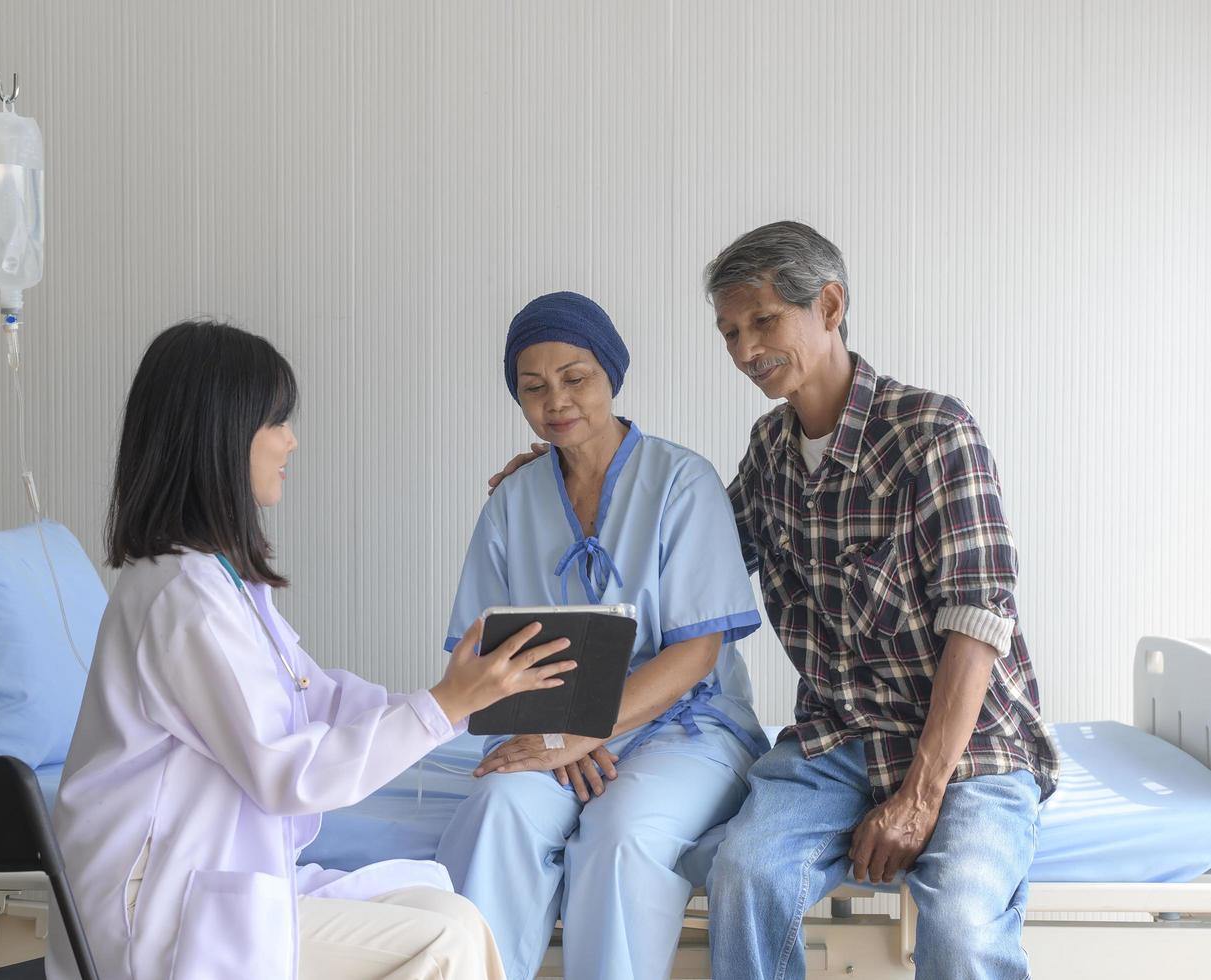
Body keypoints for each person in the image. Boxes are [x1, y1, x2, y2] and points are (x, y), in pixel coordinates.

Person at [46, 319, 578, 980]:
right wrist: (442, 708)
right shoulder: (183, 600)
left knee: (456, 915)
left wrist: (468, 698)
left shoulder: (219, 582)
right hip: (155, 910)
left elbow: (315, 697)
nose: (291, 441)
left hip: (216, 879)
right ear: (220, 435)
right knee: (438, 946)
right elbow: (287, 774)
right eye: (276, 422)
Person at [702, 221, 1058, 979]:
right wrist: (584, 467)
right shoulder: (768, 451)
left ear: (828, 306)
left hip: (968, 751)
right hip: (834, 742)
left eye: (762, 321)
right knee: (743, 877)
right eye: (729, 331)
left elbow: (975, 624)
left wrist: (918, 798)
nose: (742, 350)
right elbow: (693, 556)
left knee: (961, 924)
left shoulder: (933, 433)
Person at [436, 292, 765, 980]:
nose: (555, 400)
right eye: (533, 387)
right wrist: (557, 732)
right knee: (497, 810)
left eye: (575, 377)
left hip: (686, 730)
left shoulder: (682, 482)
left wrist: (584, 731)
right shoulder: (511, 501)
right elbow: (484, 656)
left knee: (620, 836)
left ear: (611, 374)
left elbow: (695, 651)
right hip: (558, 731)